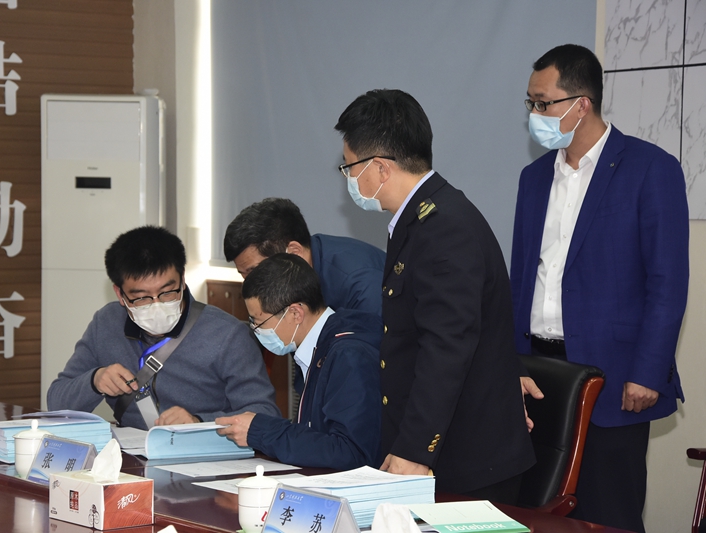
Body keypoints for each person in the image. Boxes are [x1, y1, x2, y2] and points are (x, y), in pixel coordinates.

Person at [512, 44, 688, 533]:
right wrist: (510, 363)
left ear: (581, 104)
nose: (534, 114)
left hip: (614, 377)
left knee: (609, 514)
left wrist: (648, 371)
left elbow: (667, 282)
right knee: (537, 514)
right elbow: (520, 277)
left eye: (543, 103)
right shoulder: (533, 178)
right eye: (530, 102)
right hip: (540, 374)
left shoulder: (650, 168)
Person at [334, 89, 535, 503]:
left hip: (465, 458)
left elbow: (446, 347)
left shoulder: (444, 229)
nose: (348, 177)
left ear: (380, 168)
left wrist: (413, 449)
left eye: (349, 166)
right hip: (436, 444)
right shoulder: (420, 217)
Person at [47, 226, 280, 430]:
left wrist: (200, 422)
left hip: (203, 457)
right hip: (133, 456)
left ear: (182, 279)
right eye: (141, 297)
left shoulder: (227, 334)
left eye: (167, 292)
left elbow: (265, 413)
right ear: (119, 293)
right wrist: (94, 381)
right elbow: (56, 402)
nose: (157, 305)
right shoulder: (106, 323)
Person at [216, 253, 382, 470]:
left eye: (259, 322)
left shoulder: (348, 355)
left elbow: (349, 452)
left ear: (295, 313)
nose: (256, 330)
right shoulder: (319, 346)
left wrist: (261, 432)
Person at [223, 197, 385, 316]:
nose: (250, 285)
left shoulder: (360, 282)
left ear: (294, 252)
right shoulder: (292, 282)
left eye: (254, 272)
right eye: (243, 275)